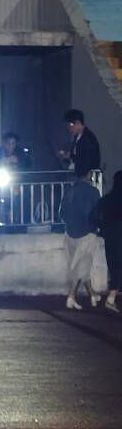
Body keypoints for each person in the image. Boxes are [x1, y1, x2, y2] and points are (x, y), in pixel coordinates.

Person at [61, 169, 103, 310]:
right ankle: (71, 296)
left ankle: (93, 295)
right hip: (87, 232)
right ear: (89, 174)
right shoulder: (93, 192)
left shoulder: (69, 191)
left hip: (70, 232)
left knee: (82, 267)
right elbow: (98, 213)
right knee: (81, 266)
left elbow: (62, 213)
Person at [91, 172, 122, 314]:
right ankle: (111, 298)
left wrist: (102, 227)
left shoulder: (106, 200)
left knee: (114, 267)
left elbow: (92, 217)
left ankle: (112, 298)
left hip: (111, 237)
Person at [58, 109, 101, 179]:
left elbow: (87, 160)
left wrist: (83, 176)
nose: (69, 128)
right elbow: (79, 157)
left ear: (78, 122)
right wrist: (69, 156)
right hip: (82, 176)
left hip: (88, 177)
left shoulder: (88, 138)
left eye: (71, 125)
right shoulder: (78, 137)